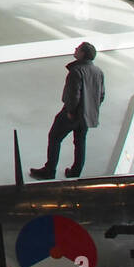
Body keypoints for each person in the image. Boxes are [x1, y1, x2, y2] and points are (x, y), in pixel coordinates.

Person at [30, 42, 105, 180]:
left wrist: (70, 111)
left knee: (54, 137)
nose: (75, 50)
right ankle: (76, 172)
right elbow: (101, 95)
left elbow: (73, 94)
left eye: (78, 49)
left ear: (82, 54)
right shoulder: (98, 72)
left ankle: (50, 170)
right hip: (87, 115)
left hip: (73, 114)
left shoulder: (76, 71)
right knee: (80, 142)